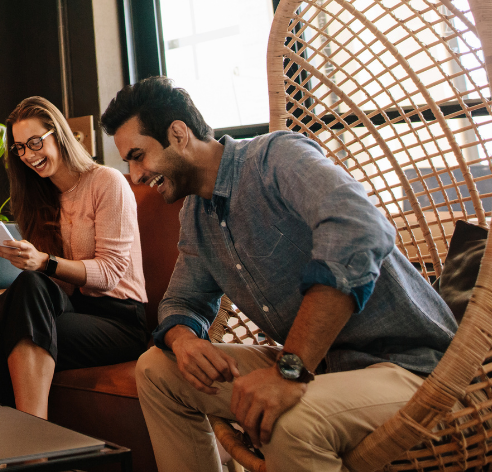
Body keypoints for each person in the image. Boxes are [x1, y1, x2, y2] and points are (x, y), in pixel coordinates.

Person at [100, 77, 456, 472]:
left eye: (138, 156)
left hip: (411, 367)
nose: (135, 175)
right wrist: (183, 340)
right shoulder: (196, 216)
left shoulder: (274, 158)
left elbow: (360, 228)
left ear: (178, 134)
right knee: (156, 369)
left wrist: (289, 371)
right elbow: (182, 301)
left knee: (288, 422)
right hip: (322, 368)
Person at [0, 96, 148, 419]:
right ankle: (1, 439)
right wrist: (4, 245)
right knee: (6, 315)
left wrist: (43, 261)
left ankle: (32, 433)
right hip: (74, 310)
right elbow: (56, 286)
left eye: (35, 142)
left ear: (58, 134)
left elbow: (109, 273)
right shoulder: (39, 197)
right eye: (20, 148)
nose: (28, 155)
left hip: (121, 321)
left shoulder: (106, 182)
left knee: (9, 319)